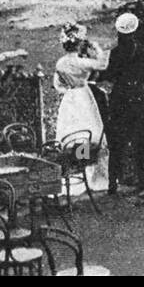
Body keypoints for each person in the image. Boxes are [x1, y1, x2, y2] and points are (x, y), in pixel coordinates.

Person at [101, 13, 144, 195]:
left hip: (120, 98)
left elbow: (110, 75)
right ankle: (142, 181)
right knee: (141, 141)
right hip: (139, 99)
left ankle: (113, 182)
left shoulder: (115, 53)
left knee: (116, 141)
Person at [53, 23, 111, 194]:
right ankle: (88, 173)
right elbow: (102, 65)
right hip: (83, 97)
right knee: (88, 132)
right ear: (78, 44)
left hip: (70, 98)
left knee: (75, 133)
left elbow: (57, 84)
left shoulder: (61, 62)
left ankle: (77, 173)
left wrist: (67, 91)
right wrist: (98, 49)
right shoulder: (80, 62)